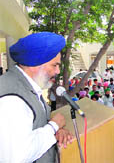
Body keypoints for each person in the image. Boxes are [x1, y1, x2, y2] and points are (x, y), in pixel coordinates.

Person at [0, 32, 72, 162]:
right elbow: (17, 156)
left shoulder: (28, 86)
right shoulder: (12, 100)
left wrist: (56, 132)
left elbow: (35, 127)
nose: (57, 71)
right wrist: (53, 127)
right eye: (54, 65)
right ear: (34, 65)